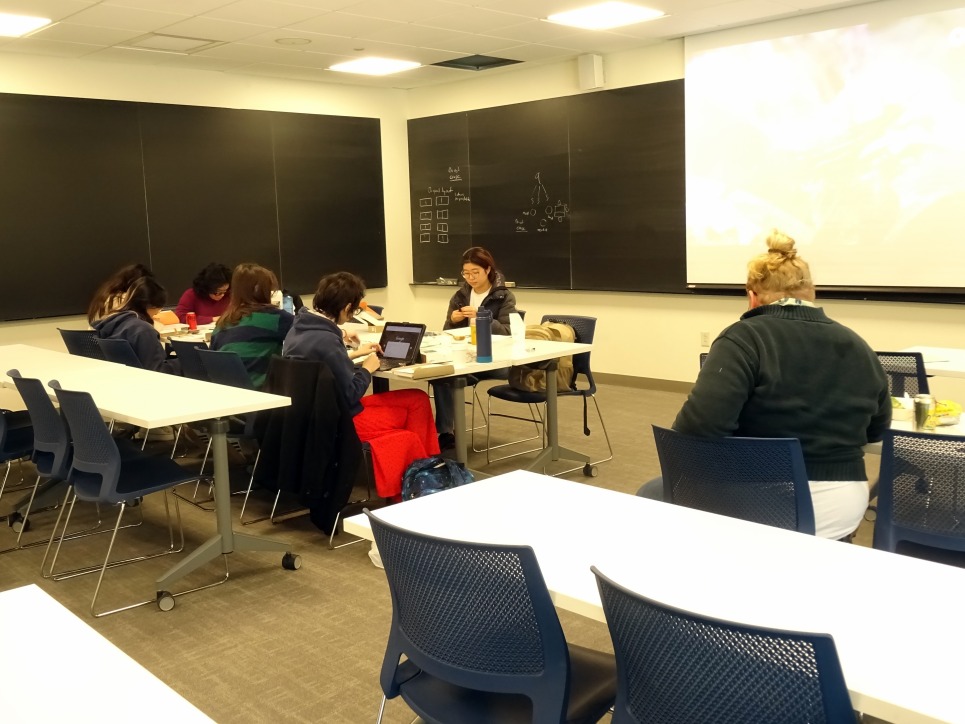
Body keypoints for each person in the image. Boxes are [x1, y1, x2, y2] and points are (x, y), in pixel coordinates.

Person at [640, 230, 891, 540]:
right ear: (812, 292)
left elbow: (698, 427)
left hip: (770, 502)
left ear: (752, 295)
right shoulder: (858, 345)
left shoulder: (744, 338)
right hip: (845, 505)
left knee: (651, 493)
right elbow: (876, 431)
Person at [283, 271, 440, 498]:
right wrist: (367, 368)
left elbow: (321, 369)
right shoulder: (327, 340)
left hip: (309, 413)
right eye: (354, 311)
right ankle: (416, 483)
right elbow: (350, 394)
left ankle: (425, 467)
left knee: (417, 398)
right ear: (347, 307)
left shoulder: (299, 328)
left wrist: (354, 354)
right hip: (338, 420)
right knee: (411, 417)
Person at [434, 246, 518, 450]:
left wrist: (483, 317)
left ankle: (450, 433)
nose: (470, 278)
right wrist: (453, 321)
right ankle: (446, 433)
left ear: (488, 270)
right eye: (466, 273)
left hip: (494, 359)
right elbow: (448, 332)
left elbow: (508, 331)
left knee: (451, 376)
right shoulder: (460, 295)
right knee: (441, 375)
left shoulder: (502, 296)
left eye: (475, 272)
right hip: (466, 355)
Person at [210, 263, 294, 389]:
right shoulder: (276, 318)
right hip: (261, 392)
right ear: (262, 290)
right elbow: (305, 337)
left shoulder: (223, 322)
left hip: (228, 391)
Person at [91, 275, 181, 375]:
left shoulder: (111, 324)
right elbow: (158, 371)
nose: (159, 311)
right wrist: (182, 361)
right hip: (154, 382)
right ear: (150, 305)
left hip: (129, 378)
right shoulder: (142, 330)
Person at [87, 263, 156, 325]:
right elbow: (137, 327)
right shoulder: (124, 299)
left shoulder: (106, 294)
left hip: (97, 338)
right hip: (112, 337)